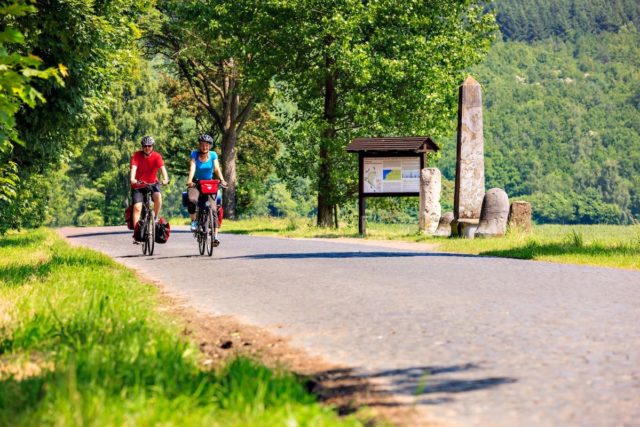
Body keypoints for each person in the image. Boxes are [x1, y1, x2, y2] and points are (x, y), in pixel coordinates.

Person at [186, 133, 227, 245]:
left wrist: (222, 180)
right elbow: (192, 168)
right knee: (192, 199)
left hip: (209, 183)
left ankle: (214, 236)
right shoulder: (194, 154)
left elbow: (217, 169)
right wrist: (190, 181)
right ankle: (194, 221)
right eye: (203, 145)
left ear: (210, 146)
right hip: (196, 182)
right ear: (199, 145)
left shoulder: (213, 155)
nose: (205, 147)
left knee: (214, 209)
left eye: (207, 145)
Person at [130, 136, 169, 241]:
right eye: (145, 146)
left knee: (158, 196)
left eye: (149, 146)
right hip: (138, 185)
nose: (147, 148)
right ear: (142, 147)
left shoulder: (157, 156)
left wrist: (165, 179)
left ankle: (155, 217)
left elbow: (163, 169)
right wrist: (132, 179)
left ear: (152, 146)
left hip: (152, 183)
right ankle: (137, 234)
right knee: (137, 208)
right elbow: (134, 168)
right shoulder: (136, 155)